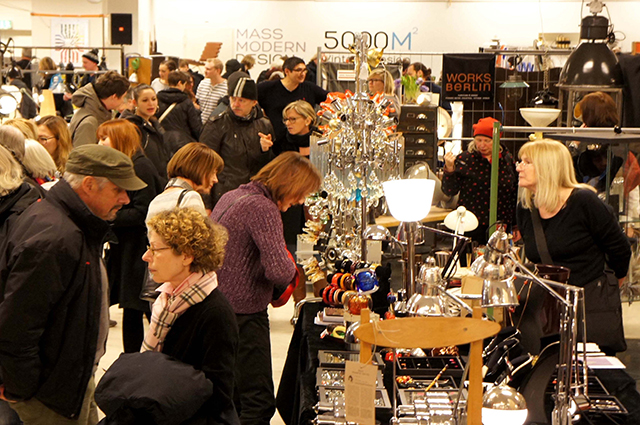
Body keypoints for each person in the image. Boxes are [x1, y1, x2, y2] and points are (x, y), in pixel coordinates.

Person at [0, 144, 146, 425]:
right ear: (89, 185)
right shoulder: (56, 237)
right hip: (49, 396)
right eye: (118, 190)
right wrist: (25, 388)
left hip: (68, 385)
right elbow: (17, 326)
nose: (126, 199)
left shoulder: (75, 226)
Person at [211, 152, 321, 425]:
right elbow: (279, 270)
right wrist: (292, 269)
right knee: (258, 402)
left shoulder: (232, 195)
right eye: (302, 193)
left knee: (233, 398)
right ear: (290, 183)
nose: (301, 201)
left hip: (218, 306)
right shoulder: (263, 208)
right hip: (245, 314)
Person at [516, 139, 631, 355]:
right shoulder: (526, 207)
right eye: (520, 161)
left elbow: (620, 250)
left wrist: (607, 286)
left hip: (589, 308)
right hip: (548, 313)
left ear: (547, 167)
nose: (519, 167)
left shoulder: (584, 201)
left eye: (527, 162)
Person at [142, 208, 239, 425]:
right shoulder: (166, 302)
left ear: (186, 255)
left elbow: (218, 395)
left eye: (155, 249)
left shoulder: (215, 313)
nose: (146, 256)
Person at [97, 119, 164, 353]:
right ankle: (132, 359)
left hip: (138, 248)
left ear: (119, 139)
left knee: (138, 306)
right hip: (127, 247)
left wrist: (109, 216)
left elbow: (143, 211)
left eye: (104, 138)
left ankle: (138, 359)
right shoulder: (125, 164)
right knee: (133, 307)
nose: (100, 143)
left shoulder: (140, 166)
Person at [442, 117, 518, 244]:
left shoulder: (507, 160)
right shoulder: (465, 160)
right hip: (471, 223)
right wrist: (449, 169)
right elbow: (449, 190)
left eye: (487, 141)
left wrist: (515, 225)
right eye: (478, 140)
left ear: (496, 140)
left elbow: (513, 194)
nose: (482, 145)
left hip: (500, 223)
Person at [200, 75, 275, 204]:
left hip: (254, 195)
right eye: (233, 99)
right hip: (224, 195)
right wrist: (206, 203)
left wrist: (265, 151)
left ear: (254, 102)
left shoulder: (264, 125)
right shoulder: (216, 124)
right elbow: (203, 164)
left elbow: (269, 167)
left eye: (242, 100)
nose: (236, 104)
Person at [257, 56, 328, 155]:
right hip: (276, 143)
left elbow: (331, 99)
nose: (303, 74)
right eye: (298, 70)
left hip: (304, 142)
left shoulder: (309, 88)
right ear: (287, 71)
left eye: (304, 70)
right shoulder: (267, 88)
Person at [146, 142, 224, 220]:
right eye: (213, 173)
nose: (215, 180)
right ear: (199, 169)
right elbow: (199, 228)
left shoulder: (156, 201)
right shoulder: (190, 197)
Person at [69, 70, 131, 146]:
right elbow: (83, 152)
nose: (123, 101)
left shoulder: (96, 113)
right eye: (123, 97)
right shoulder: (89, 122)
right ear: (114, 96)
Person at [125, 84, 170, 179]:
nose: (151, 104)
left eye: (153, 99)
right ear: (135, 103)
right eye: (145, 100)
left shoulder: (155, 124)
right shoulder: (132, 127)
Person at [156, 70, 202, 154]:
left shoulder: (158, 98)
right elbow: (195, 126)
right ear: (180, 83)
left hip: (162, 140)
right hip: (182, 142)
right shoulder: (186, 101)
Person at [197, 59, 228, 124]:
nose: (205, 71)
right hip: (199, 124)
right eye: (205, 68)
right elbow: (198, 105)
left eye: (208, 69)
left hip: (215, 126)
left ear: (218, 71)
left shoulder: (227, 88)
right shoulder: (202, 84)